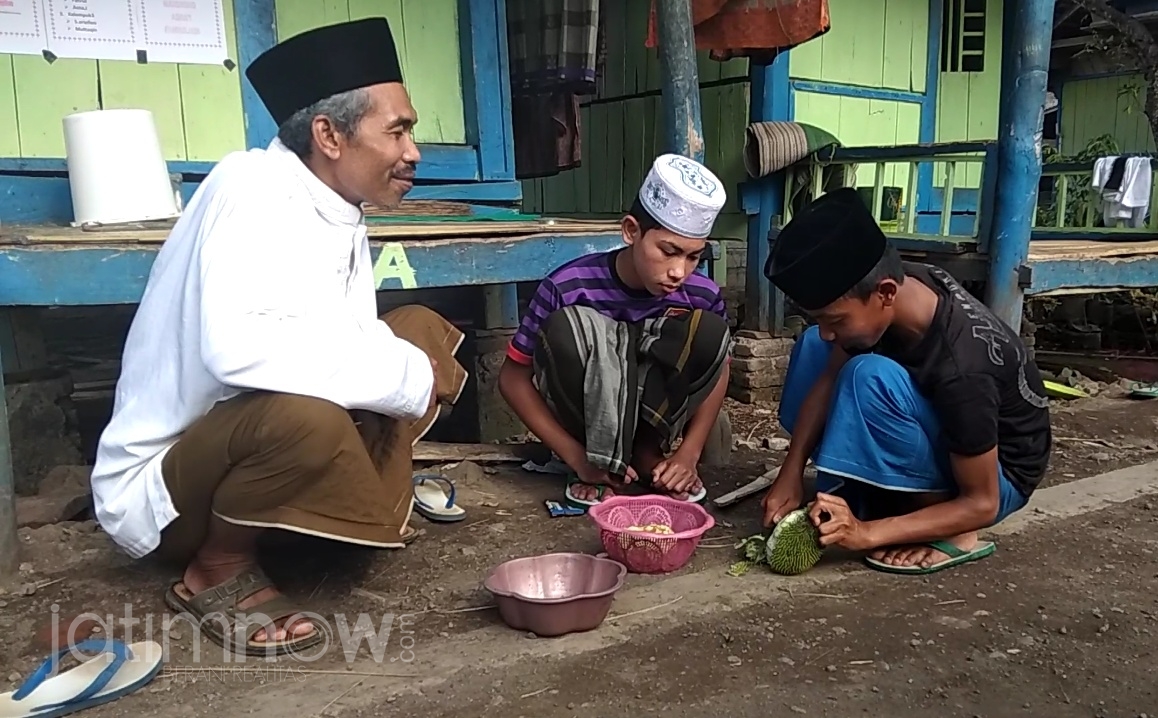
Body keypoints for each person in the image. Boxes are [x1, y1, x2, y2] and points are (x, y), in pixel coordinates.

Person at [89, 18, 469, 656]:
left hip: (243, 452)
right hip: (169, 489)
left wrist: (408, 365)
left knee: (417, 331)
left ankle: (335, 518)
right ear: (329, 135)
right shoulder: (250, 188)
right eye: (397, 130)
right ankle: (217, 565)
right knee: (309, 419)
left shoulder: (332, 201)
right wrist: (406, 380)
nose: (414, 152)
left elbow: (339, 341)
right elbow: (238, 349)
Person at [760, 188, 1052, 575]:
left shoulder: (963, 368)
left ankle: (950, 527)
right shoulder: (902, 285)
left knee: (869, 377)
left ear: (884, 294)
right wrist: (790, 473)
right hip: (949, 437)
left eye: (835, 319)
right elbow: (828, 373)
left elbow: (984, 501)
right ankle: (889, 493)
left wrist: (867, 533)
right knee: (815, 349)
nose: (829, 332)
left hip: (995, 481)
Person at [499, 154, 733, 507]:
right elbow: (513, 378)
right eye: (668, 251)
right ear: (631, 231)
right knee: (568, 328)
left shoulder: (700, 294)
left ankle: (646, 453)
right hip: (585, 432)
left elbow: (720, 368)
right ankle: (599, 462)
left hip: (656, 418)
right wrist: (575, 456)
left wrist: (689, 453)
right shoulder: (568, 287)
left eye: (693, 257)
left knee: (710, 332)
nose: (678, 271)